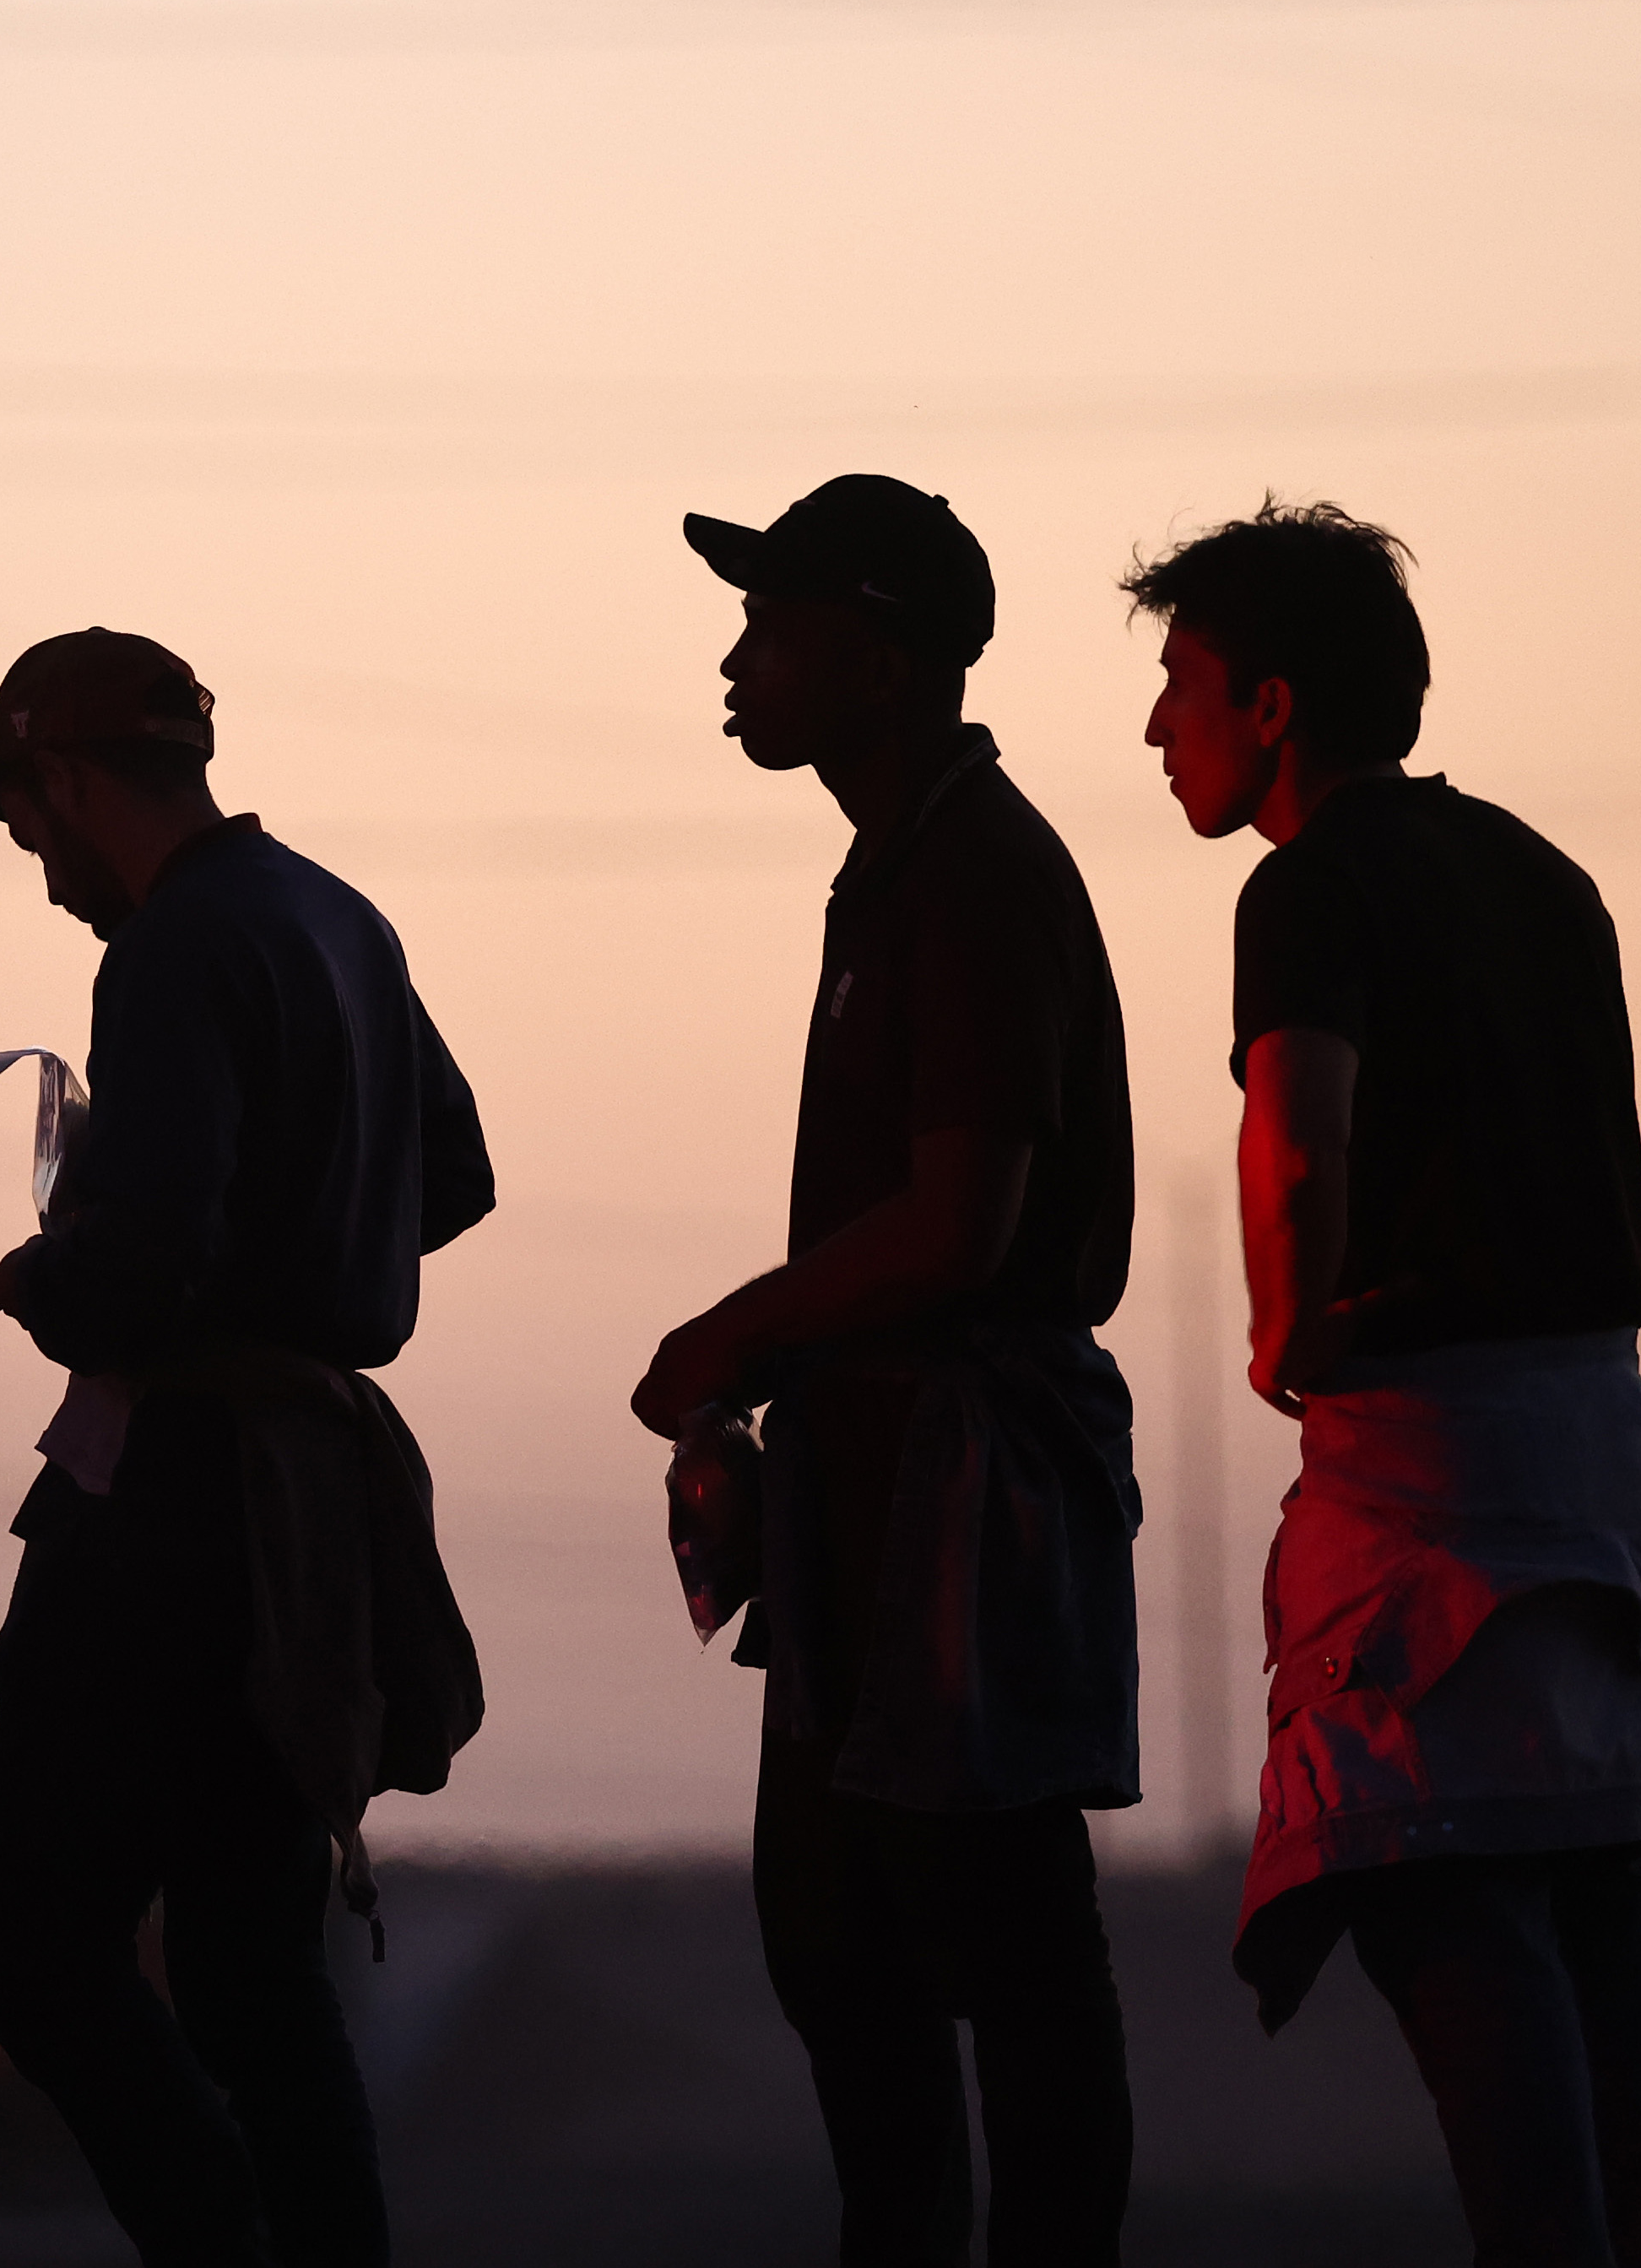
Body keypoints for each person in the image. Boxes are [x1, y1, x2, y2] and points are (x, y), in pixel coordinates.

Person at [1129, 501, 1641, 2268]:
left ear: (1268, 706)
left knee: (1445, 1896)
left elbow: (1295, 1141)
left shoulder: (1306, 888)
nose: (1155, 729)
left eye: (1177, 685)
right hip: (1599, 1471)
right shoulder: (1538, 875)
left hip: (1424, 1489)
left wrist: (1290, 1338)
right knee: (1615, 1930)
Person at [0, 629, 493, 2268]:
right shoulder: (339, 921)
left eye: (27, 825)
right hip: (306, 1510)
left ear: (66, 779)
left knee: (36, 1952)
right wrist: (302, 1239)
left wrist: (44, 1267)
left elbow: (142, 1265)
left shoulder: (171, 949)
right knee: (254, 1975)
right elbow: (444, 1179)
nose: (37, 872)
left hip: (172, 1503)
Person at [631, 475, 1143, 2267]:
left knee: (995, 1937)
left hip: (961, 1485)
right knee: (844, 1949)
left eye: (767, 622)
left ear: (872, 646)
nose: (734, 657)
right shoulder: (903, 862)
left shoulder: (975, 874)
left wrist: (731, 1334)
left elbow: (956, 1223)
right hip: (879, 1480)